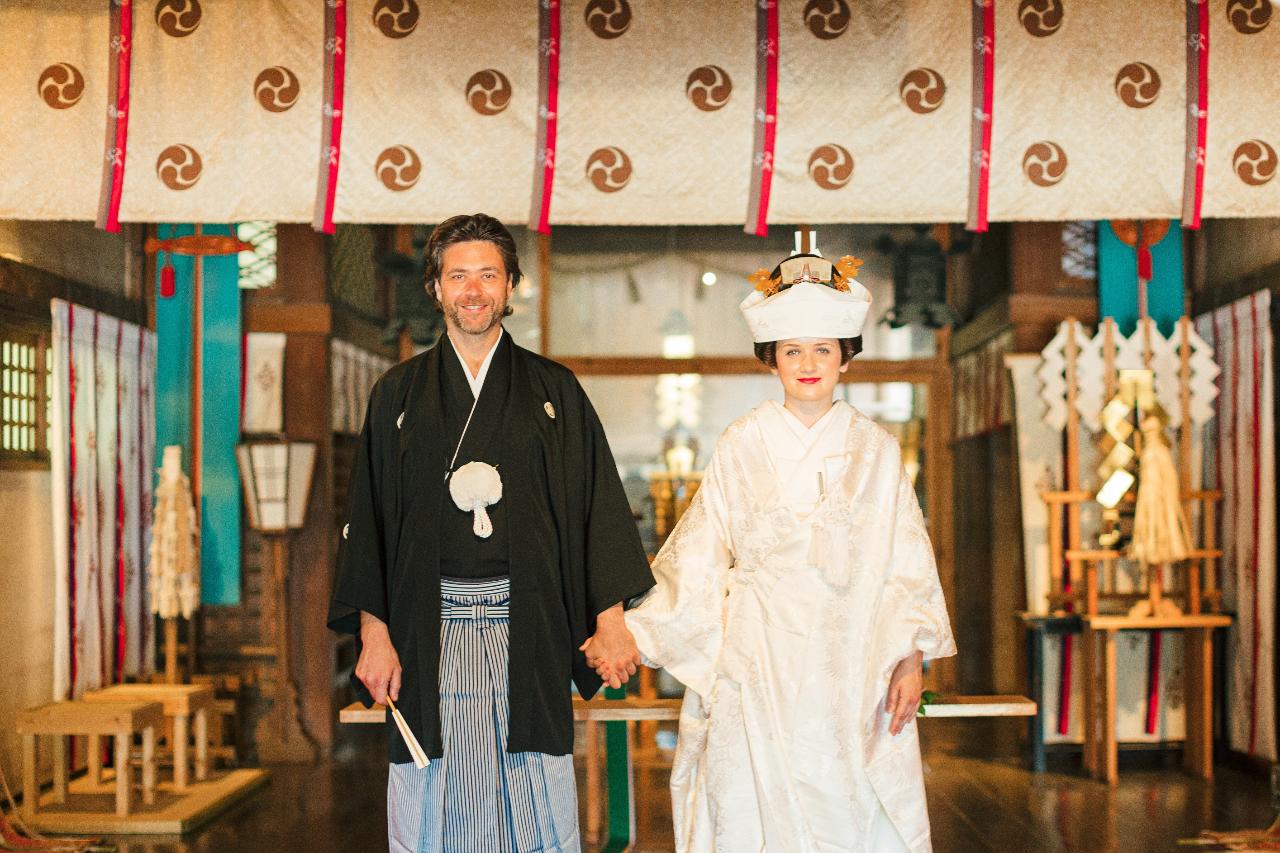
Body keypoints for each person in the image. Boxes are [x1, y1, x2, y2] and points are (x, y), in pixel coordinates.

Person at [604, 251, 956, 852]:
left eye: (823, 349)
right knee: (752, 799)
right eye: (793, 351)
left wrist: (910, 658)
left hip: (852, 658)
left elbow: (906, 561)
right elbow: (702, 550)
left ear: (846, 355)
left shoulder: (876, 449)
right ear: (773, 360)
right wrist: (635, 631)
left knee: (848, 801)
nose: (809, 364)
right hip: (757, 651)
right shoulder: (742, 443)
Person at [328, 213, 654, 853]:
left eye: (487, 275)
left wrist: (611, 620)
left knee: (533, 780)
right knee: (431, 784)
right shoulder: (397, 394)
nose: (473, 290)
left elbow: (597, 507)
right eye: (458, 276)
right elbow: (368, 522)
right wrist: (373, 632)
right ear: (436, 287)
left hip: (528, 625)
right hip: (426, 630)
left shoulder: (554, 391)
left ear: (510, 287)